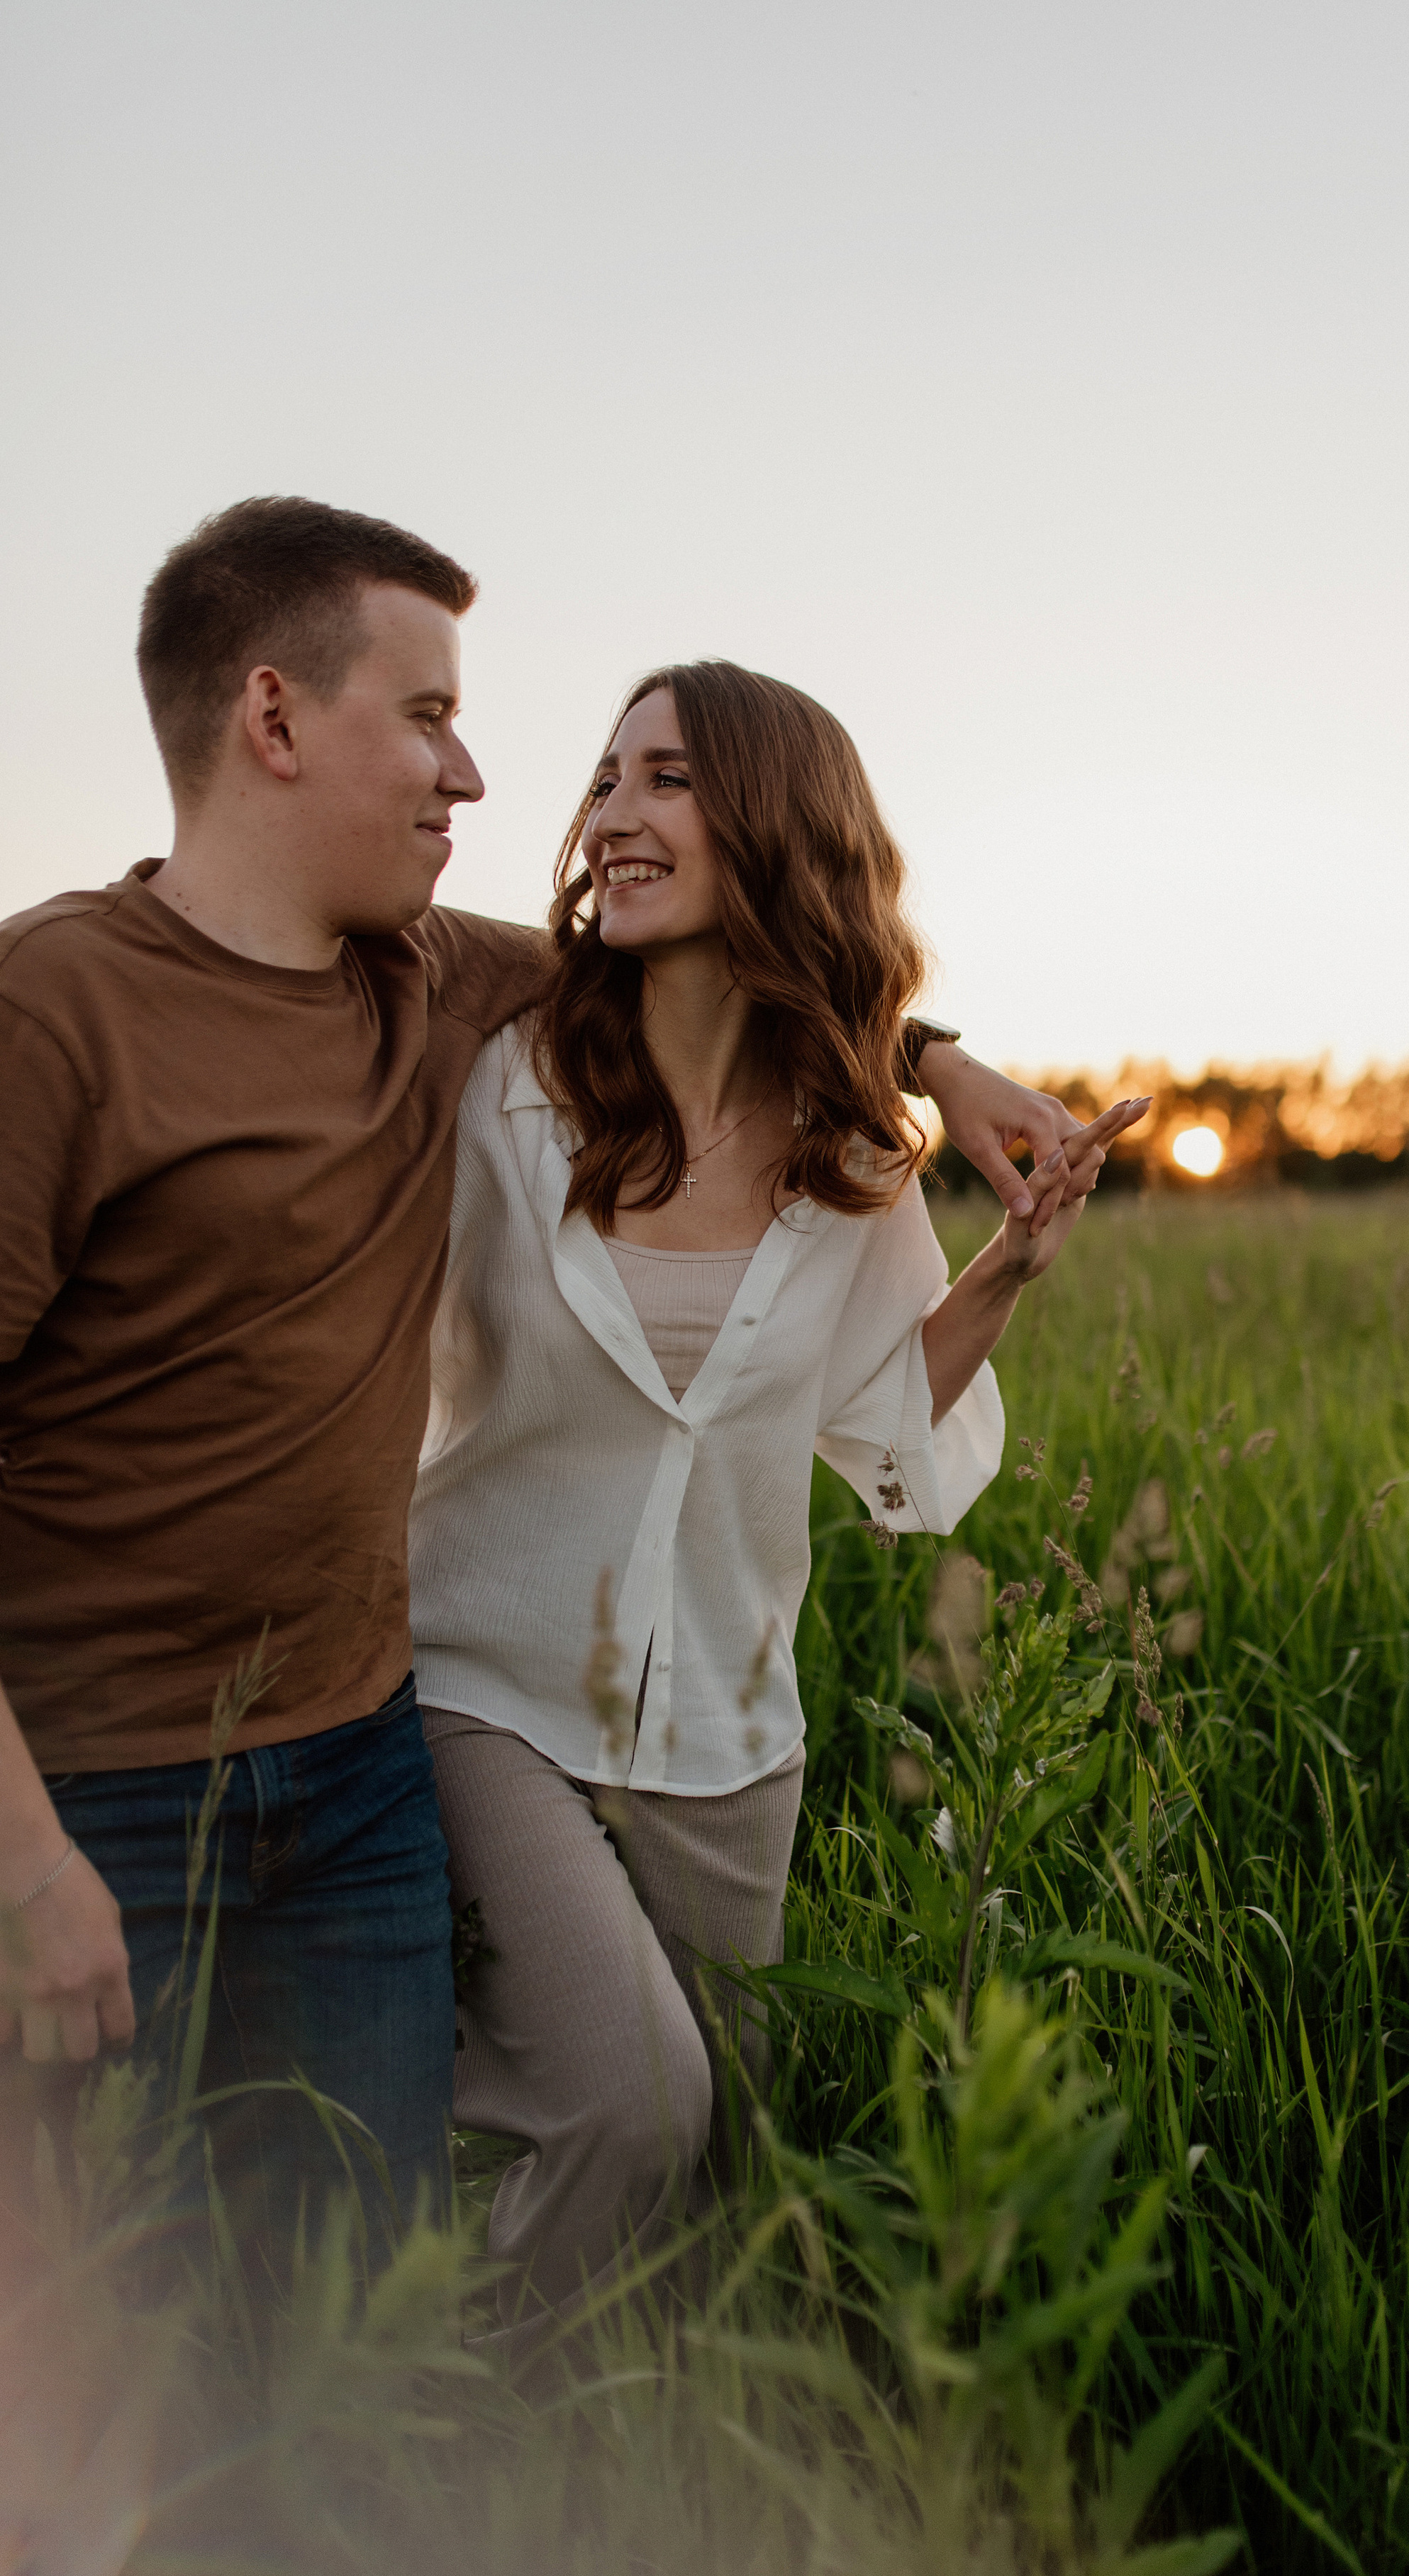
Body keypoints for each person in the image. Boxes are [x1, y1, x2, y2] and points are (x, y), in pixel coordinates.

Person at [0, 499, 1098, 2264]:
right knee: (577, 2121)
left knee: (576, 2206)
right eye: (437, 721)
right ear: (279, 722)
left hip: (549, 1742)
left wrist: (951, 1103)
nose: (552, 799)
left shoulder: (724, 1099)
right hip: (307, 1730)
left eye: (659, 778)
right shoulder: (380, 1034)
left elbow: (866, 1374)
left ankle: (531, 2498)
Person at [410, 661, 1145, 2326]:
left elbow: (880, 1431)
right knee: (630, 2105)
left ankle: (617, 2480)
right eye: (605, 780)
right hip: (481, 1679)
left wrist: (1007, 1274)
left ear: (770, 821)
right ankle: (445, 2434)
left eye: (665, 779)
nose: (613, 813)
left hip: (731, 1726)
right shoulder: (504, 1084)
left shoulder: (851, 1146)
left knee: (706, 2181)